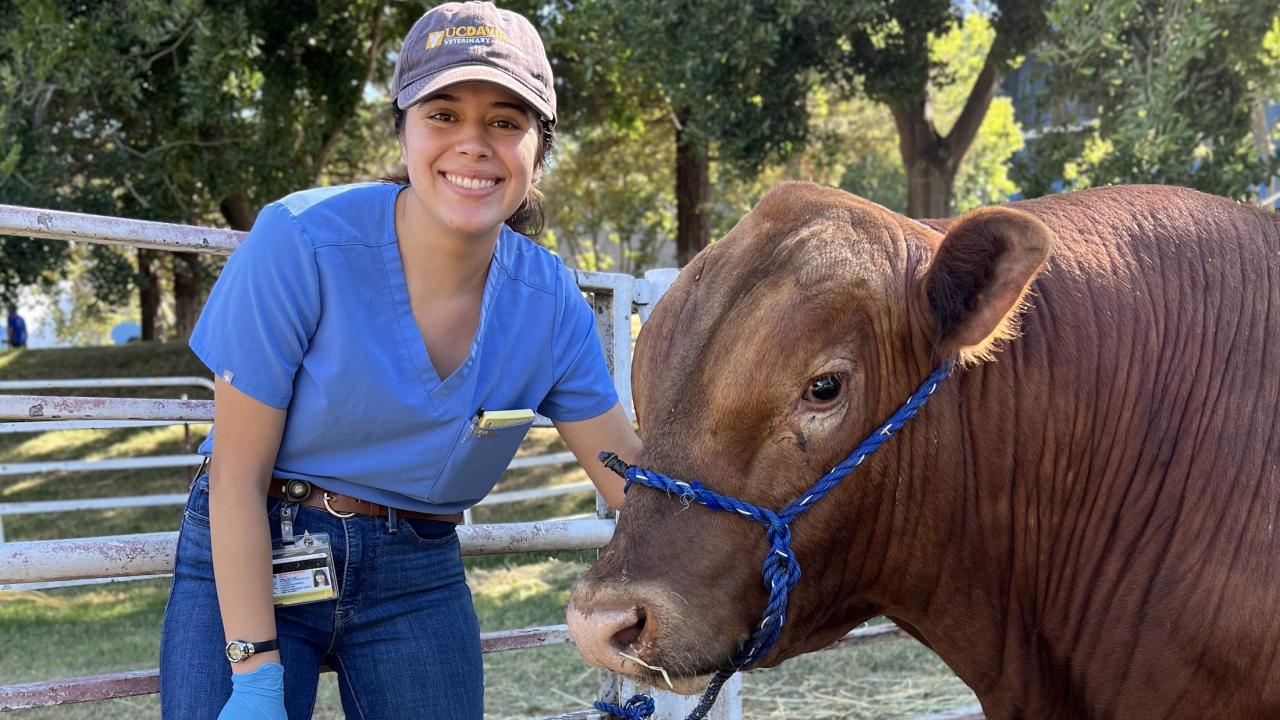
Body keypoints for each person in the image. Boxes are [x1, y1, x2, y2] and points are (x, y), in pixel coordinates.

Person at [157, 3, 641, 718]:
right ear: (405, 129)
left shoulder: (550, 304)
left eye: (506, 122)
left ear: (539, 148)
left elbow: (631, 477)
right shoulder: (300, 242)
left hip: (415, 569)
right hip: (258, 538)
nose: (473, 144)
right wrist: (254, 674)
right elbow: (235, 475)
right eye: (443, 114)